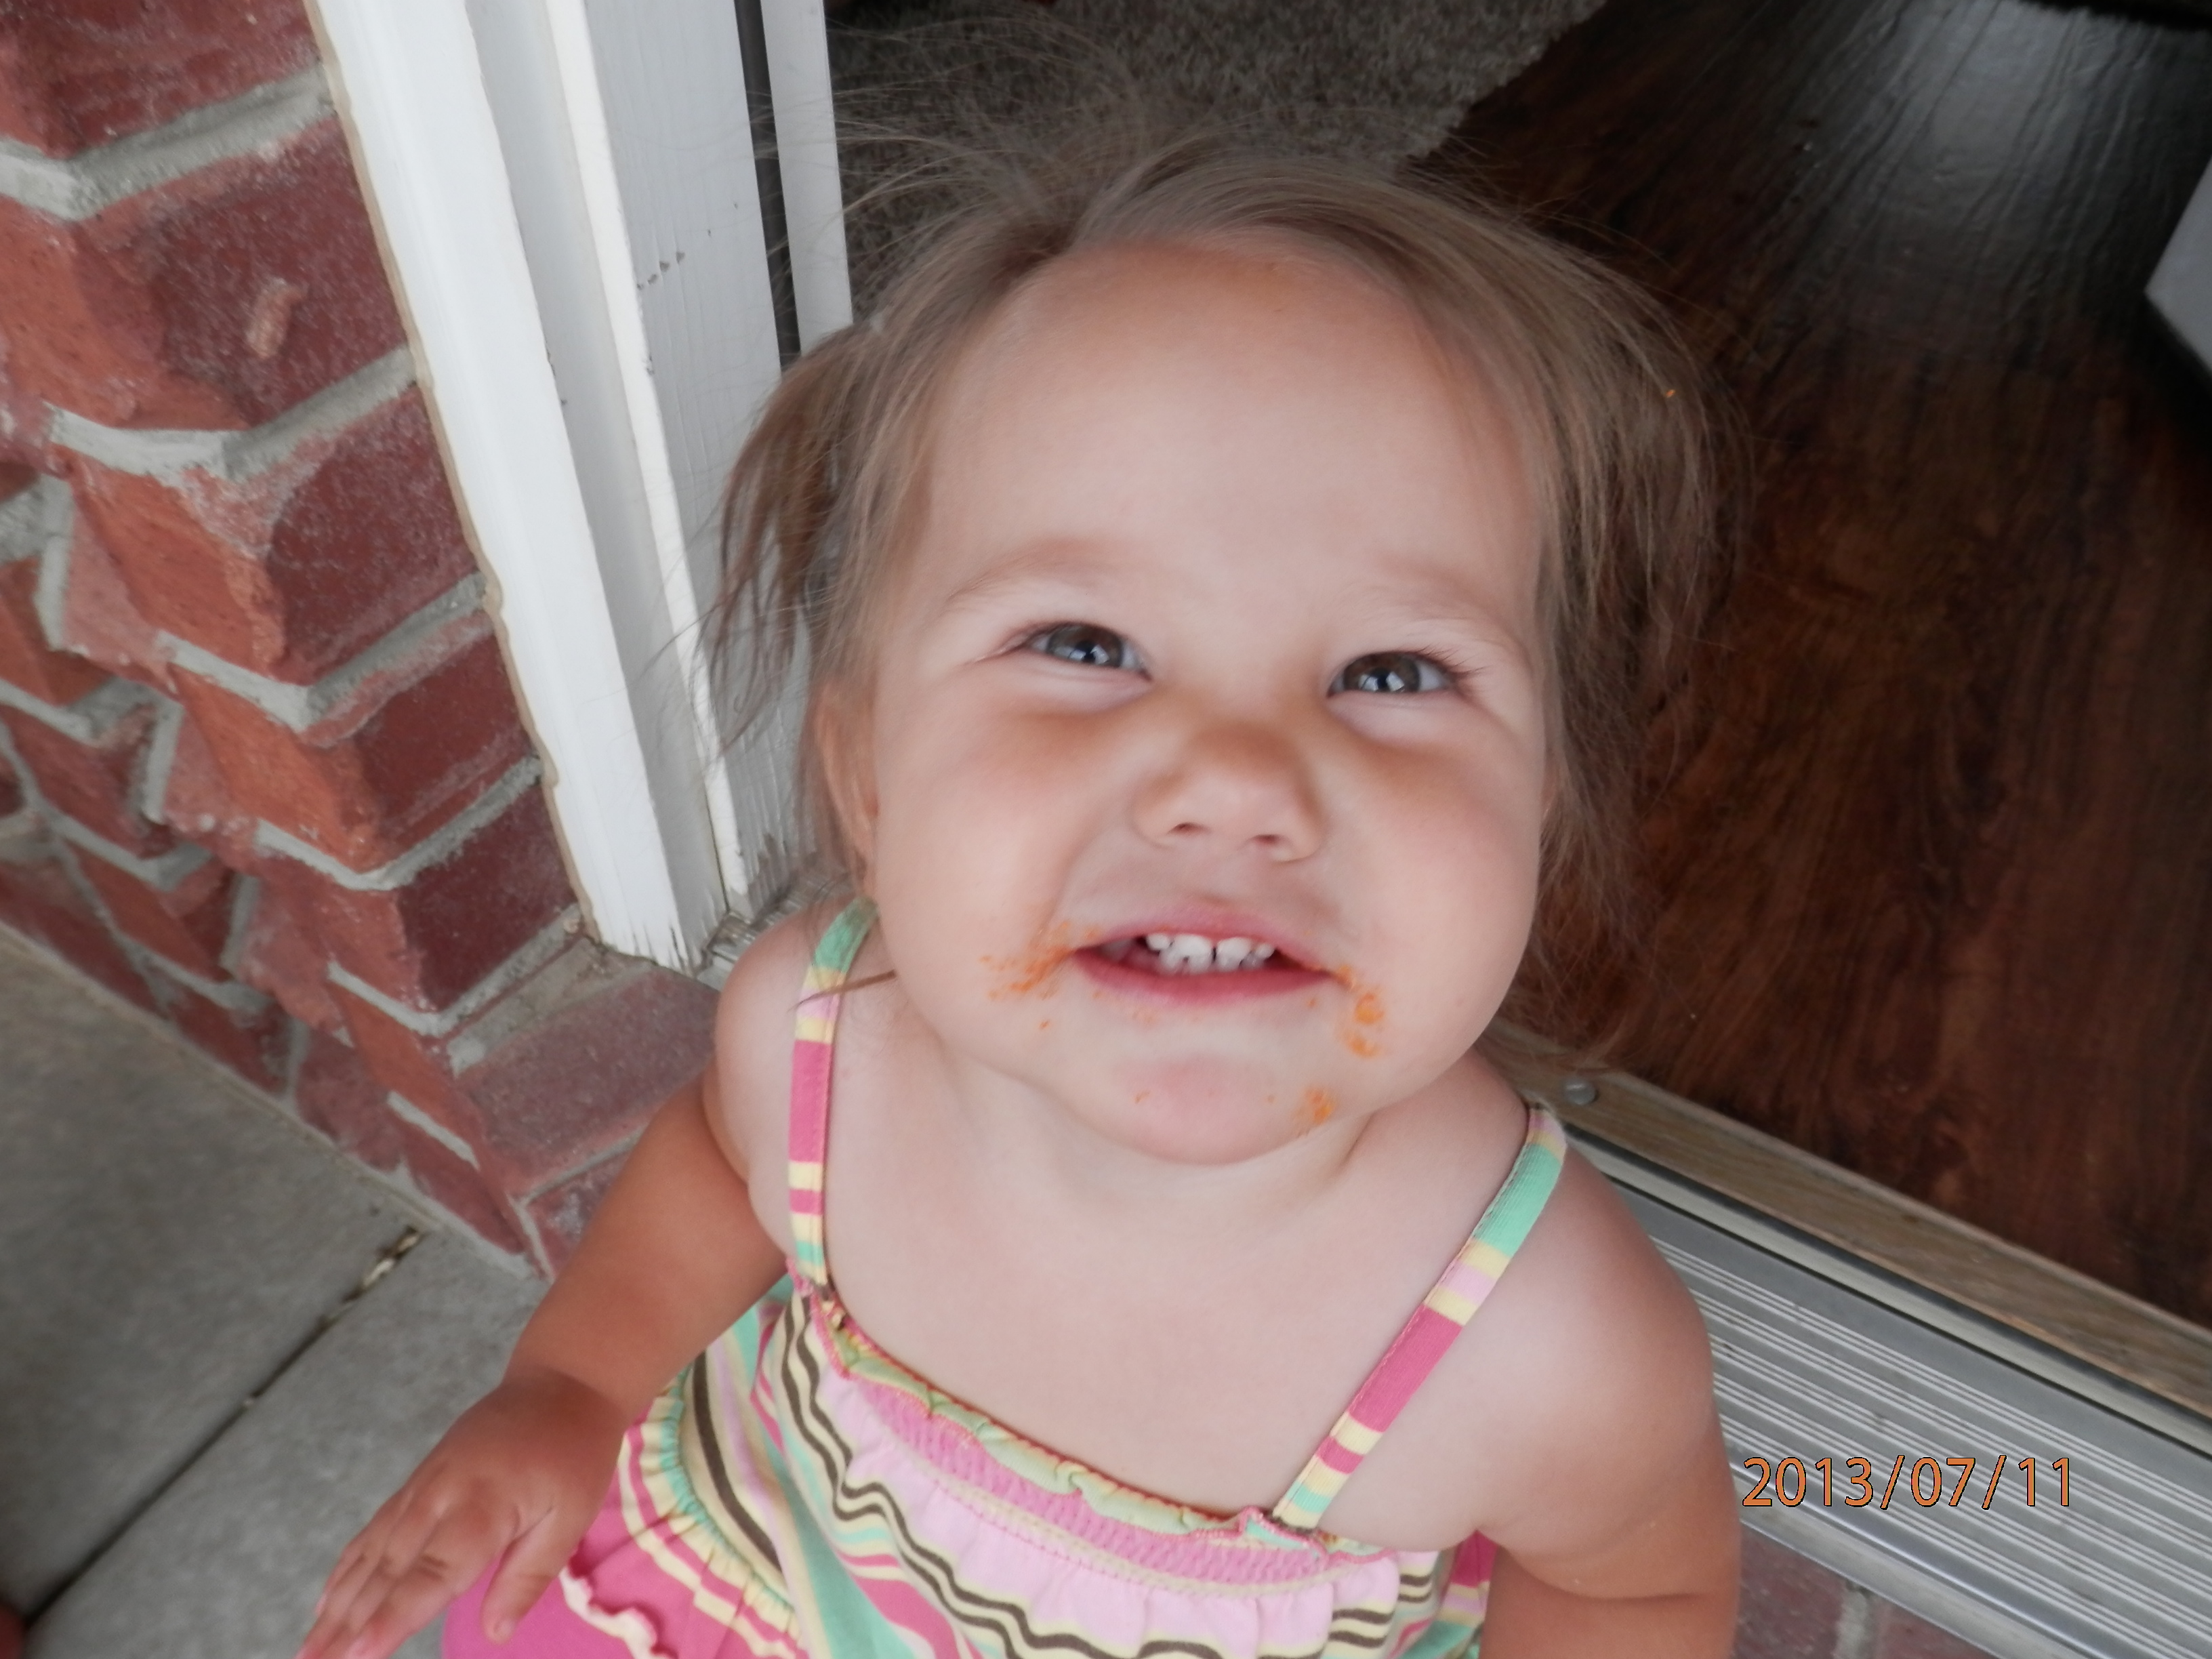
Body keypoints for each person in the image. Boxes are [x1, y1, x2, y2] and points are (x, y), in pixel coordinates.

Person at [300, 136, 1740, 1659]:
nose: (1234, 780)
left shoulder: (1542, 1341)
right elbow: (721, 1171)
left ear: (1540, 808)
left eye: (1392, 672)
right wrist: (575, 1386)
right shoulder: (818, 1039)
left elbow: (1633, 1587)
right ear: (867, 779)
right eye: (1085, 644)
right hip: (769, 1563)